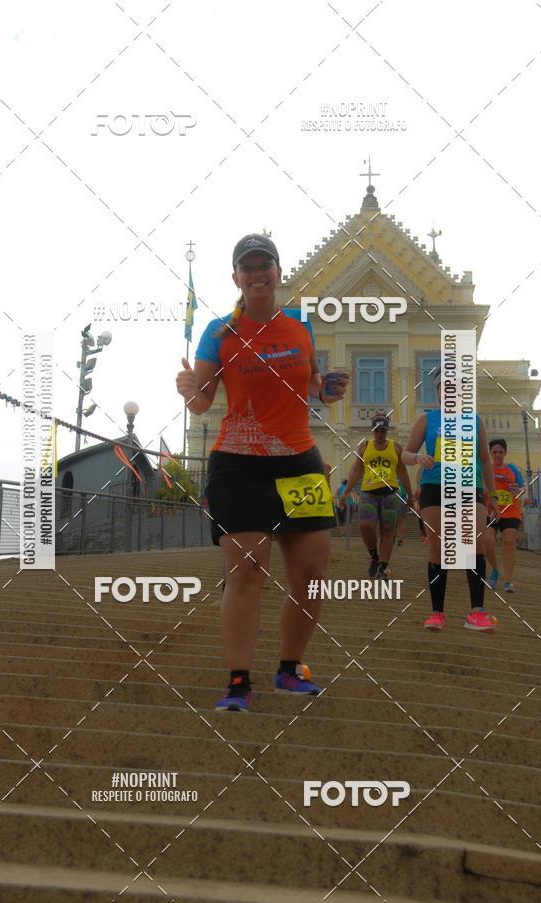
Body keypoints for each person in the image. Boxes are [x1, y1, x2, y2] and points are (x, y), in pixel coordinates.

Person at [176, 234, 348, 712]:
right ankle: (238, 683)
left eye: (264, 265)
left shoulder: (300, 326)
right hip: (240, 464)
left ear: (277, 272)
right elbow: (204, 402)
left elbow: (310, 381)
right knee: (247, 572)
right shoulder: (220, 331)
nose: (256, 273)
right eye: (247, 266)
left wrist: (325, 387)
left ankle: (290, 671)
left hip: (300, 462)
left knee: (312, 574)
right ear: (236, 277)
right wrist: (188, 387)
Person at [401, 367, 500, 631]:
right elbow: (406, 454)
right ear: (438, 391)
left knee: (474, 544)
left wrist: (494, 495)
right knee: (438, 548)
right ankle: (437, 613)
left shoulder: (474, 420)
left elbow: (486, 459)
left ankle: (477, 612)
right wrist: (418, 458)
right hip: (435, 486)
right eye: (444, 387)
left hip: (470, 486)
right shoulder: (427, 420)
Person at [338, 414, 413, 580]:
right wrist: (345, 493)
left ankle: (382, 568)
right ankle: (374, 557)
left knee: (388, 531)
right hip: (369, 492)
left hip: (390, 494)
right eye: (377, 431)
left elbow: (403, 472)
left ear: (387, 431)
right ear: (373, 431)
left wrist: (410, 495)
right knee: (365, 526)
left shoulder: (396, 447)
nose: (380, 434)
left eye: (383, 431)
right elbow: (356, 471)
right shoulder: (364, 446)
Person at [484, 438, 524, 592]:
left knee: (509, 542)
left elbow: (522, 487)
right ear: (490, 453)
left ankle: (508, 581)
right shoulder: (486, 469)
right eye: (495, 452)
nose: (498, 455)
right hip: (491, 511)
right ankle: (494, 570)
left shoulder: (512, 469)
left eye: (500, 452)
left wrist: (519, 490)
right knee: (487, 540)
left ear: (505, 453)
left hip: (510, 510)